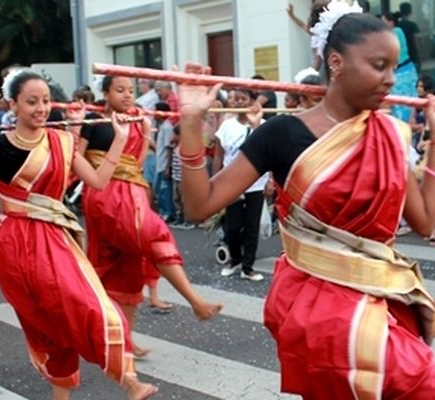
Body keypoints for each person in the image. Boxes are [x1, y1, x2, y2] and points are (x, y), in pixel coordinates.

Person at [178, 7, 435, 398]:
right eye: (379, 65)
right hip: (320, 307)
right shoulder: (281, 134)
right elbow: (201, 206)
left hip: (384, 297)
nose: (389, 79)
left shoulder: (389, 133)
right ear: (336, 62)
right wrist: (192, 123)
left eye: (393, 67)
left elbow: (426, 224)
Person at [0, 69, 158, 400]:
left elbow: (98, 180)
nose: (41, 108)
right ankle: (126, 380)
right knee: (52, 325)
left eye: (46, 101)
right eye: (32, 101)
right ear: (14, 104)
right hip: (18, 247)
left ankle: (127, 381)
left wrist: (119, 139)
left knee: (88, 307)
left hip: (56, 240)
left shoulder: (62, 141)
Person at [78, 75, 222, 357]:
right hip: (105, 195)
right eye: (119, 90)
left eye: (130, 91)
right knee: (154, 236)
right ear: (105, 93)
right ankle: (195, 301)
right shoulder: (93, 123)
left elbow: (137, 164)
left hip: (133, 192)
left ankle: (124, 342)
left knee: (128, 270)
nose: (128, 95)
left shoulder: (137, 120)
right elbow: (75, 157)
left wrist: (143, 133)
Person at [211, 88, 268, 281]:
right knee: (233, 226)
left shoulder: (263, 125)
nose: (237, 103)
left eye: (243, 99)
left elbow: (270, 155)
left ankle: (248, 267)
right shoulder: (227, 126)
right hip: (231, 183)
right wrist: (214, 181)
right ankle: (234, 260)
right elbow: (219, 155)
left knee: (252, 226)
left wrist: (271, 181)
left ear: (253, 101)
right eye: (234, 99)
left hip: (256, 182)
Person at [382, 12, 418, 123]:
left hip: (403, 69)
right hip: (403, 69)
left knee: (404, 98)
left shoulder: (395, 31)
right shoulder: (392, 33)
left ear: (391, 22)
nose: (382, 24)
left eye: (384, 21)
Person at [153, 102, 175, 222]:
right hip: (159, 162)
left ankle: (167, 212)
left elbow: (169, 147)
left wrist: (167, 166)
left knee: (164, 190)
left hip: (163, 164)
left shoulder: (167, 127)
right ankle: (163, 211)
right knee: (160, 190)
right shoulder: (161, 126)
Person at [397, 2, 420, 73]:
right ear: (410, 11)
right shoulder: (412, 25)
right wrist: (418, 57)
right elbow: (415, 42)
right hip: (412, 56)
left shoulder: (397, 25)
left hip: (401, 57)